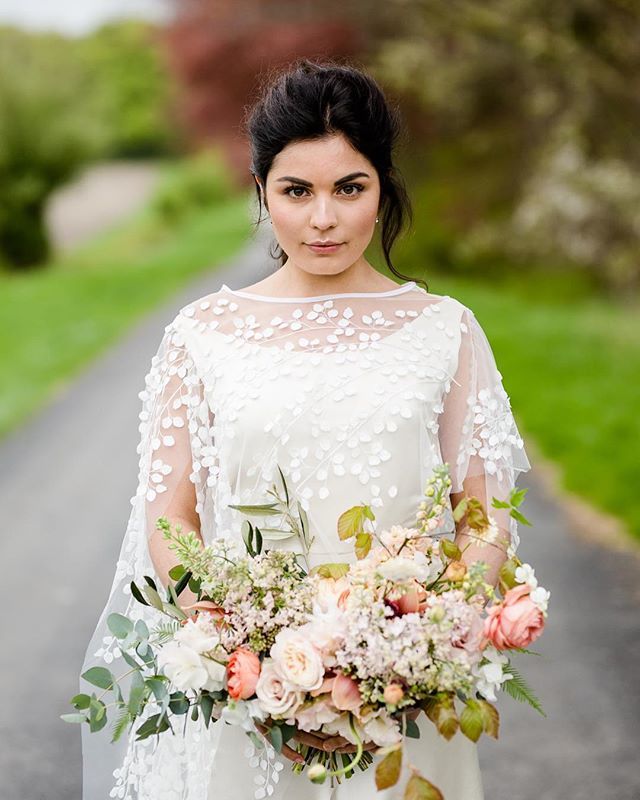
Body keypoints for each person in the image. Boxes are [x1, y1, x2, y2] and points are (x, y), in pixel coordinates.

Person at [79, 58, 531, 800]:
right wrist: (238, 652)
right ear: (261, 195)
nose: (323, 219)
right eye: (297, 192)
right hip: (248, 697)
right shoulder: (201, 336)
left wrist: (414, 651)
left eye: (349, 189)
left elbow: (481, 517)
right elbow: (171, 517)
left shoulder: (445, 331)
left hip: (403, 700)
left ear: (383, 190)